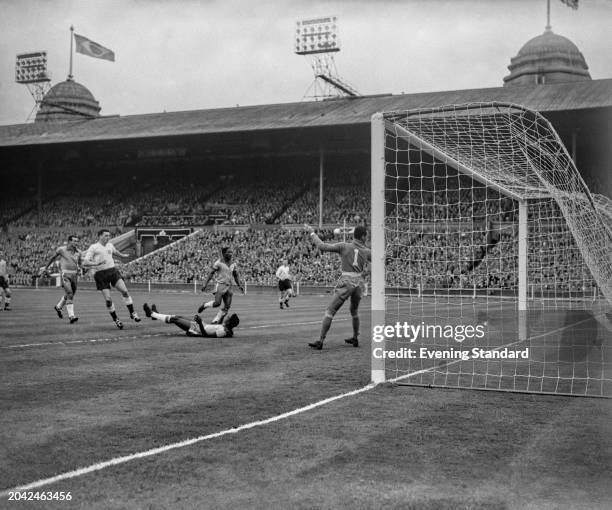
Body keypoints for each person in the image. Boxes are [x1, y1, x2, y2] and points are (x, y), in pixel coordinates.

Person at [304, 224, 371, 350]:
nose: (367, 238)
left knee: (330, 311)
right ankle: (355, 337)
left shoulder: (344, 246)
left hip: (346, 282)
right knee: (354, 311)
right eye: (366, 236)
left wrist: (312, 233)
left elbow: (322, 246)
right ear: (362, 236)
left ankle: (320, 340)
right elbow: (379, 260)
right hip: (359, 283)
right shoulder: (366, 251)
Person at [82, 229, 141, 329]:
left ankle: (132, 313)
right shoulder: (94, 247)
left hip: (112, 271)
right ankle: (116, 319)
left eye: (109, 235)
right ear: (100, 236)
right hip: (100, 274)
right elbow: (85, 262)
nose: (108, 237)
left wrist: (123, 255)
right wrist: (96, 264)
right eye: (105, 235)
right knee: (108, 300)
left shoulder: (110, 245)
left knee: (125, 291)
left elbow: (115, 251)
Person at [42, 235, 99, 324]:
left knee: (70, 295)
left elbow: (80, 264)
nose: (76, 243)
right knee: (70, 293)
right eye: (74, 241)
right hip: (65, 274)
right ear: (69, 241)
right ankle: (71, 316)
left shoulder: (79, 252)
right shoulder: (61, 249)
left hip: (74, 275)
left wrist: (86, 267)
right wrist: (46, 268)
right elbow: (52, 258)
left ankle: (58, 307)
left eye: (77, 241)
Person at [197, 246, 245, 324]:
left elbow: (236, 275)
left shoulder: (233, 264)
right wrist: (205, 283)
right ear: (223, 253)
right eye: (229, 252)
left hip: (229, 286)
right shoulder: (218, 263)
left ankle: (216, 320)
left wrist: (239, 285)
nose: (231, 254)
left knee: (227, 307)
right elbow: (211, 273)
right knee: (217, 303)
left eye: (231, 252)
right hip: (220, 285)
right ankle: (205, 305)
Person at [143, 302, 239, 338]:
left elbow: (206, 335)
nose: (227, 317)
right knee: (178, 317)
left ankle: (152, 314)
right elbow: (216, 325)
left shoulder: (224, 331)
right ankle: (155, 315)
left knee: (175, 319)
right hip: (200, 326)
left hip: (198, 330)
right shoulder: (225, 328)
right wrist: (221, 315)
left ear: (230, 322)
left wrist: (200, 322)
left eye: (229, 318)